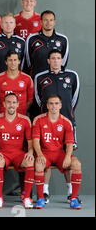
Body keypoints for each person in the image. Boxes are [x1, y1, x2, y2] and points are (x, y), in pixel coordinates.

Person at [34, 50, 80, 202]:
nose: (55, 61)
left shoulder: (72, 76)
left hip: (65, 122)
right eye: (52, 58)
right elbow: (38, 99)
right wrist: (51, 111)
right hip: (47, 122)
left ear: (62, 60)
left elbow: (74, 99)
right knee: (46, 156)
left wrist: (63, 113)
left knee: (68, 159)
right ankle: (44, 193)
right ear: (48, 61)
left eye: (58, 58)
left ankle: (71, 192)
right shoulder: (40, 77)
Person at [32, 95, 83, 210]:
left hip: (59, 153)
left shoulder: (66, 122)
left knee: (76, 164)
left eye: (56, 103)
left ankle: (73, 198)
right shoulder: (39, 120)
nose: (53, 106)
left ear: (60, 105)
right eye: (51, 103)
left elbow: (70, 143)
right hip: (45, 152)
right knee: (39, 164)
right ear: (47, 105)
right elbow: (35, 141)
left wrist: (68, 157)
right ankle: (41, 198)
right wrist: (39, 155)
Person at [0, 93, 35, 209]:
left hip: (18, 154)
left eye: (14, 102)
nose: (11, 105)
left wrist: (30, 153)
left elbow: (30, 143)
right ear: (4, 104)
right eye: (9, 102)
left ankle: (26, 198)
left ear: (18, 104)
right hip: (3, 153)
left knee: (29, 162)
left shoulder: (25, 120)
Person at [25, 10, 69, 77]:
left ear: (54, 22)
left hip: (55, 80)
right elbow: (28, 62)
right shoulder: (31, 38)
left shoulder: (63, 39)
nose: (48, 23)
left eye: (51, 20)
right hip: (36, 79)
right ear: (41, 22)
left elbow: (63, 62)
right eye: (46, 20)